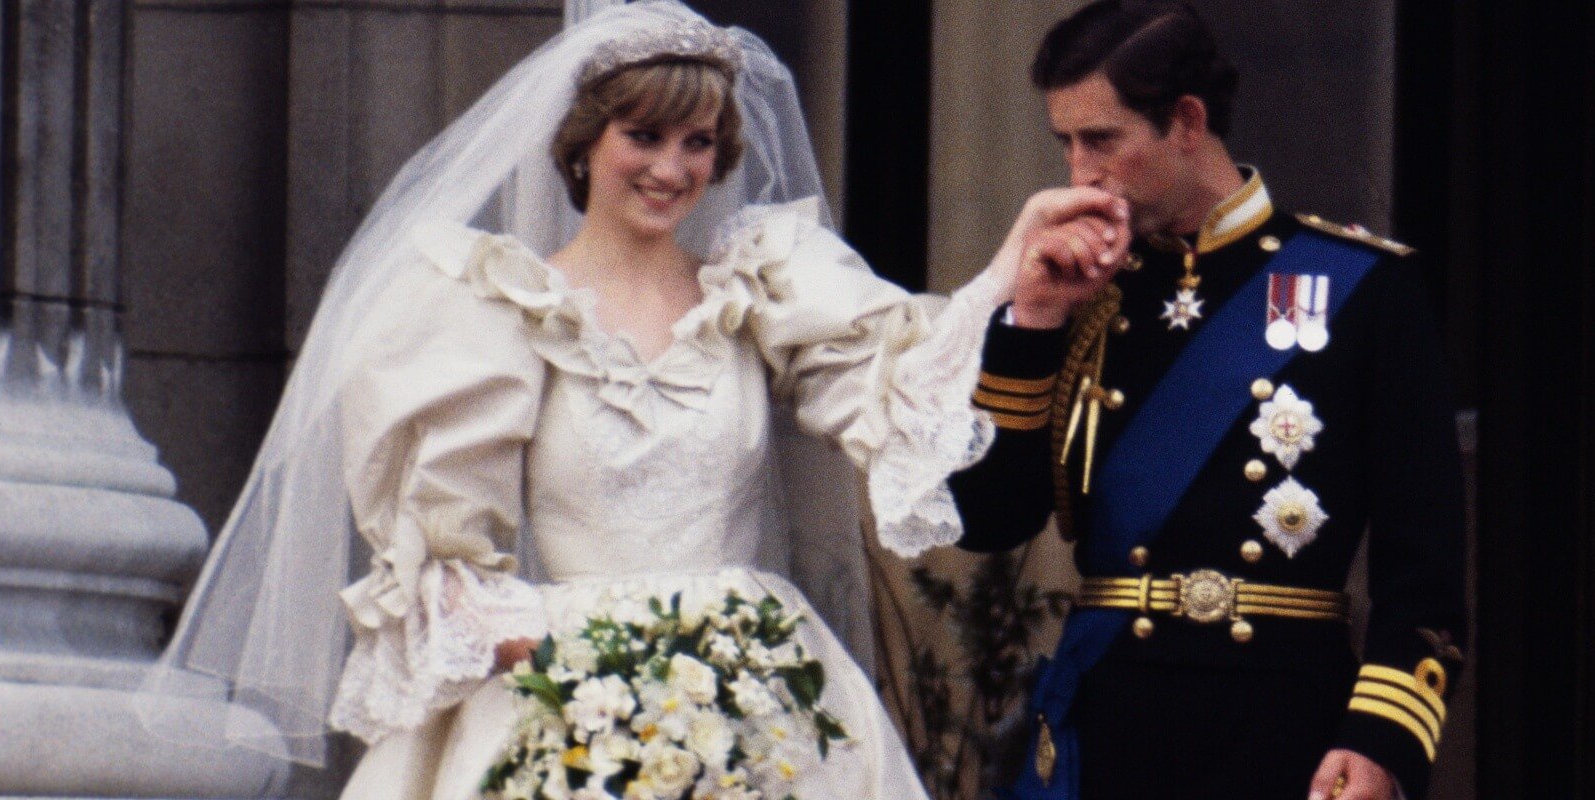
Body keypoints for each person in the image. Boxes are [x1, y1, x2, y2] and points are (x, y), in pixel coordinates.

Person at [135, 3, 1122, 798]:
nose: (672, 166)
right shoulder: (493, 307)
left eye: (698, 141)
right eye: (642, 134)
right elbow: (442, 561)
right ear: (582, 141)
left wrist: (1006, 280)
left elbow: (905, 382)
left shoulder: (759, 285)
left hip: (759, 690)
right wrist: (601, 677)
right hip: (566, 697)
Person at [947, 3, 1468, 799]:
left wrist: (1382, 740)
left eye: (1102, 140)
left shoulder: (1363, 286)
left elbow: (1423, 568)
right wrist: (1034, 322)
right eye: (1067, 143)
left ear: (1186, 122)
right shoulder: (1076, 289)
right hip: (1111, 718)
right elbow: (987, 521)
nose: (1079, 173)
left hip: (1283, 726)